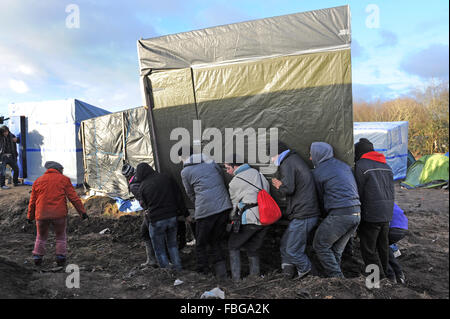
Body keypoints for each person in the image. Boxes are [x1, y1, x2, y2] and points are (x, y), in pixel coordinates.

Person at [270, 141, 321, 279]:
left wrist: (279, 186)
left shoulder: (287, 163)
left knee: (292, 250)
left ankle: (310, 275)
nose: (271, 160)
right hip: (303, 212)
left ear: (278, 154)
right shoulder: (293, 160)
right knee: (286, 244)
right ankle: (288, 274)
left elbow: (289, 188)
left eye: (272, 156)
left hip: (304, 214)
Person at [310, 142, 361, 278]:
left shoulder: (318, 172)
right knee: (335, 250)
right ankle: (334, 282)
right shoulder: (344, 166)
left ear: (317, 155)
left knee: (320, 245)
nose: (310, 158)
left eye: (311, 154)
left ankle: (338, 279)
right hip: (356, 213)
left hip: (340, 214)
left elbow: (320, 198)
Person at [179, 148, 232, 279]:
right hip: (224, 207)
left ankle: (203, 272)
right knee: (215, 241)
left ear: (183, 157)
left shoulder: (185, 171)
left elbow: (190, 193)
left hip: (206, 211)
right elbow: (221, 177)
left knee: (201, 243)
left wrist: (200, 205)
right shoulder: (210, 162)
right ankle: (222, 273)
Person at [27, 161, 88, 266]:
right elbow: (74, 198)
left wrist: (30, 217)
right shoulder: (64, 180)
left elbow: (32, 201)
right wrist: (82, 213)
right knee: (60, 236)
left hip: (41, 215)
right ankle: (60, 258)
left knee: (41, 236)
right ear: (59, 170)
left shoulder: (38, 181)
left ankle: (37, 258)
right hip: (59, 214)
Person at [224, 154, 271, 282]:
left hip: (250, 218)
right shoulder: (258, 174)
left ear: (235, 167)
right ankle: (254, 277)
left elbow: (235, 206)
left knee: (233, 245)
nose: (227, 172)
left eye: (228, 168)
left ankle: (236, 280)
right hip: (266, 217)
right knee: (253, 248)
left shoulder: (234, 183)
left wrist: (231, 218)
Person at [354, 138, 395, 280]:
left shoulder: (360, 166)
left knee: (369, 249)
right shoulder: (386, 166)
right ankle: (387, 276)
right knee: (383, 247)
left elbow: (357, 192)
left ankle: (377, 279)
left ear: (359, 152)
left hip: (371, 214)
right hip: (387, 214)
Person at [136, 162, 188, 271]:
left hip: (156, 220)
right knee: (172, 245)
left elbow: (145, 206)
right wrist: (185, 213)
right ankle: (178, 268)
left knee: (159, 249)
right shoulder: (166, 177)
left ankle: (166, 271)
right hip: (172, 217)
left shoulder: (143, 187)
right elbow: (178, 196)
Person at [121, 163, 158, 267]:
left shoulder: (134, 185)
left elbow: (143, 199)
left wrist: (146, 209)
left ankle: (153, 259)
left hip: (151, 210)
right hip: (158, 207)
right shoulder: (144, 177)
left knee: (146, 232)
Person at [386, 203, 408, 284]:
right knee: (386, 247)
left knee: (378, 250)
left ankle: (390, 276)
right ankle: (399, 274)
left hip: (393, 228)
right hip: (404, 226)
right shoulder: (389, 200)